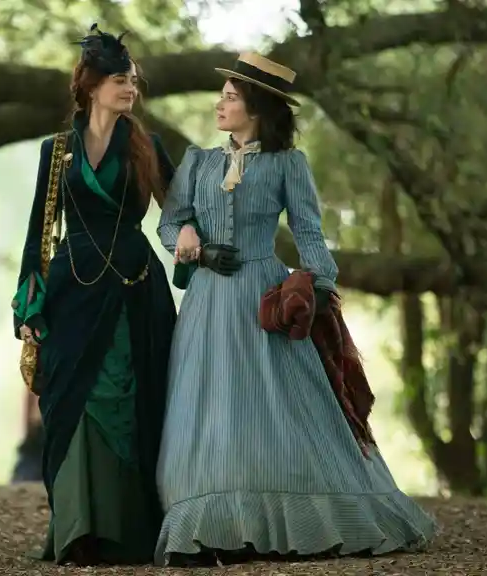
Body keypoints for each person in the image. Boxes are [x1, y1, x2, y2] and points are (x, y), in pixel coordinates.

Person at [154, 52, 439, 567]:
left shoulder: (288, 164)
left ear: (256, 108)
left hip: (262, 295)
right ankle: (208, 526)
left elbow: (308, 231)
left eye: (231, 98)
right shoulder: (198, 162)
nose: (220, 104)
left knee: (275, 407)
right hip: (207, 302)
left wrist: (321, 286)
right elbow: (169, 224)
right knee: (210, 405)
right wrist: (193, 240)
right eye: (222, 96)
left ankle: (291, 521)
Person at [11, 24, 177, 566]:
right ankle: (78, 530)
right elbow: (39, 231)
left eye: (133, 80)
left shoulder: (148, 146)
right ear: (91, 86)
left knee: (133, 402)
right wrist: (30, 305)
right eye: (119, 79)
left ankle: (129, 533)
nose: (130, 88)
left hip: (135, 289)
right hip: (72, 291)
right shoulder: (56, 150)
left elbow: (181, 214)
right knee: (72, 403)